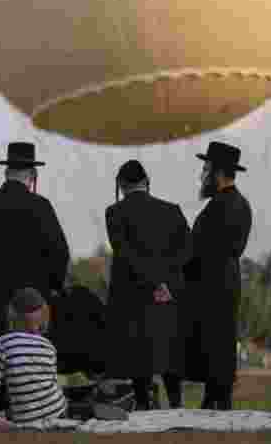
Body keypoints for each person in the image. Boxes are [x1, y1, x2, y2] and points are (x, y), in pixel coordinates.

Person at [104, 159, 192, 410]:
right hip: (167, 299)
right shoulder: (172, 211)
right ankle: (177, 405)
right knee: (170, 357)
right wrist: (166, 285)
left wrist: (153, 282)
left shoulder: (114, 213)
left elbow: (125, 254)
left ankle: (144, 407)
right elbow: (187, 251)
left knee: (139, 363)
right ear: (147, 183)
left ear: (121, 185)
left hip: (134, 299)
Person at [0, 142, 70, 364]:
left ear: (7, 173)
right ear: (33, 175)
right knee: (30, 364)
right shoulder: (41, 206)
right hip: (31, 303)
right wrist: (53, 286)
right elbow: (60, 253)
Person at [0, 288, 129, 427]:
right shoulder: (47, 345)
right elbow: (51, 381)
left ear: (12, 314)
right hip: (55, 410)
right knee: (65, 405)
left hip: (24, 417)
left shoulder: (2, 343)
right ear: (43, 316)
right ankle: (87, 410)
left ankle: (79, 410)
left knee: (12, 411)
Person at [181, 141, 253, 410]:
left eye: (206, 169)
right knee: (222, 350)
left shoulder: (217, 207)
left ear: (218, 173)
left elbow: (197, 251)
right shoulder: (242, 204)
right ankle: (217, 402)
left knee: (212, 352)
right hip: (229, 283)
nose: (202, 175)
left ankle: (214, 407)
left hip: (209, 287)